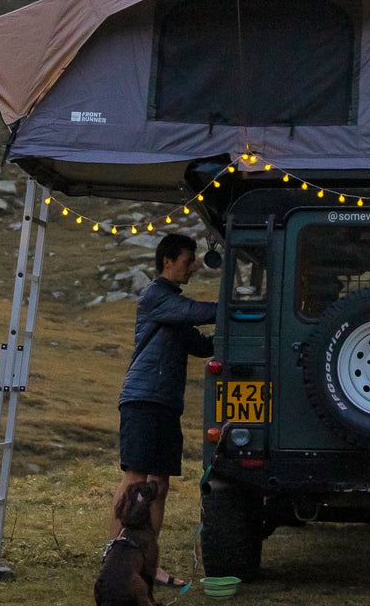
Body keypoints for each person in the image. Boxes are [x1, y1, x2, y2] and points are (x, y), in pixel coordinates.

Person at [111, 233, 216, 588]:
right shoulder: (157, 296)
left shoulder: (173, 308)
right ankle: (115, 558)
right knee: (135, 479)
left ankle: (146, 561)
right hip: (142, 398)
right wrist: (233, 306)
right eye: (188, 261)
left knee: (159, 484)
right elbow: (196, 312)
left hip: (167, 402)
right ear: (168, 261)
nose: (193, 268)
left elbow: (200, 345)